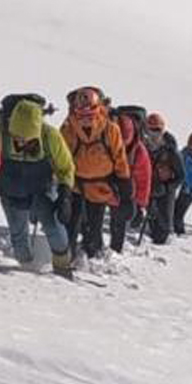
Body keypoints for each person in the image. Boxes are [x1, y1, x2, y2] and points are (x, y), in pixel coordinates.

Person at [0, 95, 76, 276]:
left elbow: (65, 167)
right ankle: (25, 270)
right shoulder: (0, 134)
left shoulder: (49, 136)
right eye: (17, 138)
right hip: (11, 190)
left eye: (28, 140)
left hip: (41, 189)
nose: (21, 143)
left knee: (54, 228)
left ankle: (62, 267)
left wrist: (65, 194)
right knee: (18, 234)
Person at [61, 87, 131, 260]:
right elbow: (61, 158)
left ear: (97, 109)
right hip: (75, 185)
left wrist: (125, 191)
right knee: (70, 225)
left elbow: (120, 159)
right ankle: (66, 259)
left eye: (89, 113)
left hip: (100, 187)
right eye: (81, 114)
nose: (85, 119)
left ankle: (91, 256)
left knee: (94, 228)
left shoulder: (110, 130)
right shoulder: (68, 129)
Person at [142, 113, 184, 244]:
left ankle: (163, 245)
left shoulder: (171, 150)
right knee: (151, 218)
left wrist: (167, 188)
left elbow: (181, 175)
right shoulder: (143, 147)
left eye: (157, 130)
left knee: (164, 224)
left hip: (166, 192)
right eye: (151, 130)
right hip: (149, 188)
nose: (154, 134)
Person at [115, 111, 151, 253]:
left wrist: (141, 204)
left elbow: (144, 180)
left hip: (129, 191)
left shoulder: (140, 152)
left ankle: (116, 248)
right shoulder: (110, 143)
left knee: (121, 217)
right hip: (109, 187)